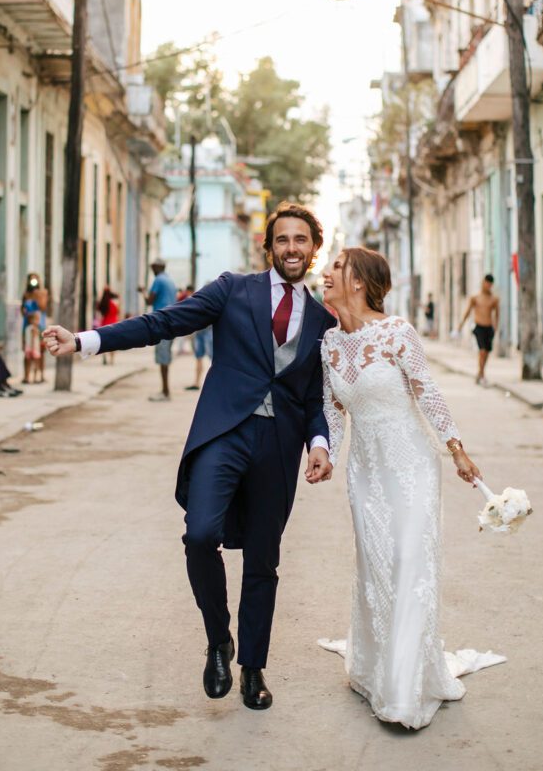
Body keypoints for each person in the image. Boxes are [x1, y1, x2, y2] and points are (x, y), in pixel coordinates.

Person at [43, 202, 336, 711]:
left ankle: (252, 669)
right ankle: (219, 638)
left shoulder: (320, 320)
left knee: (264, 559)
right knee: (200, 534)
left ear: (314, 249)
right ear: (268, 247)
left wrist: (319, 443)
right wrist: (87, 340)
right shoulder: (232, 289)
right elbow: (164, 323)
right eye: (283, 239)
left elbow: (313, 399)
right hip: (223, 431)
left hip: (279, 446)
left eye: (301, 240)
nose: (292, 248)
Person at [321, 247, 498, 730]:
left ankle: (402, 691)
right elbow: (334, 411)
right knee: (377, 569)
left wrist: (456, 448)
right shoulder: (329, 344)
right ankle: (376, 668)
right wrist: (328, 458)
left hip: (412, 466)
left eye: (336, 267)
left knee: (409, 567)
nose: (325, 273)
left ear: (358, 281)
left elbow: (427, 392)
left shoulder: (397, 332)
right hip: (365, 473)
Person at [139, 259, 177, 401]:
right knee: (165, 358)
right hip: (171, 323)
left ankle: (165, 392)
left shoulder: (158, 280)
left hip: (162, 323)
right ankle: (165, 390)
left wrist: (143, 291)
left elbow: (149, 301)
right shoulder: (169, 280)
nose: (152, 270)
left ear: (157, 267)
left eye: (153, 267)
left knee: (163, 359)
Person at [458, 274, 500, 385]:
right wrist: (461, 324)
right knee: (481, 351)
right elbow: (468, 312)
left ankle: (480, 373)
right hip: (479, 327)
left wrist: (496, 327)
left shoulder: (494, 299)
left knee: (486, 353)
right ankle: (482, 375)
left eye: (490, 284)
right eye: (487, 283)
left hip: (489, 328)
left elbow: (497, 314)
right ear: (483, 283)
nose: (488, 286)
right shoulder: (475, 298)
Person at [21, 273, 48, 383]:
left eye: (35, 280)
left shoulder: (43, 293)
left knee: (40, 351)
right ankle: (26, 376)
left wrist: (37, 296)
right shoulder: (25, 294)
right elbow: (22, 310)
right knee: (27, 352)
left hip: (39, 325)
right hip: (27, 325)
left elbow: (43, 307)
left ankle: (40, 375)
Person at [96, 287, 120, 365]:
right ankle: (111, 360)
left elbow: (99, 312)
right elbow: (117, 312)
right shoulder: (113, 303)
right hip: (113, 324)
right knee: (113, 343)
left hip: (104, 323)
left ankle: (104, 357)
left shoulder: (103, 303)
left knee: (103, 343)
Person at [186, 325, 213, 391]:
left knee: (213, 357)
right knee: (198, 357)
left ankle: (218, 381)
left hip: (209, 330)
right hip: (198, 331)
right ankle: (196, 383)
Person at [24, 311, 43, 383]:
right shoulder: (34, 329)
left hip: (29, 348)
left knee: (30, 363)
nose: (37, 321)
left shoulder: (27, 328)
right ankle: (34, 378)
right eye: (36, 319)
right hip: (33, 348)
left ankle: (28, 377)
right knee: (35, 363)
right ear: (31, 320)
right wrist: (32, 349)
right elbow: (33, 339)